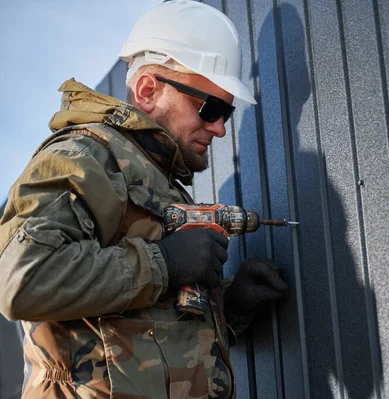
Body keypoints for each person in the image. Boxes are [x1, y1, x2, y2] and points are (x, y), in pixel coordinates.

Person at [0, 1, 288, 398]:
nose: (220, 127)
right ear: (148, 90)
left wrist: (230, 307)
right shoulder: (84, 157)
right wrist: (166, 262)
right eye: (209, 108)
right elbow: (22, 282)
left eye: (227, 111)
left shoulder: (153, 179)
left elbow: (141, 338)